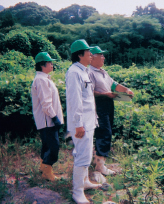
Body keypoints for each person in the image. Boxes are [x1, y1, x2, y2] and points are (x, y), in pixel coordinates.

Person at [65, 39, 101, 204]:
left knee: (86, 153)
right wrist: (78, 123)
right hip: (81, 124)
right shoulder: (74, 72)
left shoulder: (83, 71)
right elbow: (75, 101)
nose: (91, 54)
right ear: (80, 55)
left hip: (88, 122)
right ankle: (77, 192)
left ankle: (84, 181)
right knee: (82, 156)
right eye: (88, 52)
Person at [88, 46, 134, 176]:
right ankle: (100, 166)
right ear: (92, 57)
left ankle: (97, 160)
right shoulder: (89, 72)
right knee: (104, 132)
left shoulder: (102, 72)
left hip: (108, 103)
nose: (103, 57)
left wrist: (126, 90)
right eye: (100, 55)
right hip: (98, 105)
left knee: (106, 131)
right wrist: (105, 94)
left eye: (103, 55)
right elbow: (89, 92)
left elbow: (113, 84)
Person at [31, 52, 64, 181]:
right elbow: (46, 103)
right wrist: (54, 117)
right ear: (42, 65)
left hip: (47, 120)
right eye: (50, 62)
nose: (52, 64)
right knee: (53, 146)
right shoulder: (41, 80)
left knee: (46, 145)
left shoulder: (44, 78)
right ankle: (47, 171)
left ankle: (42, 168)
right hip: (47, 121)